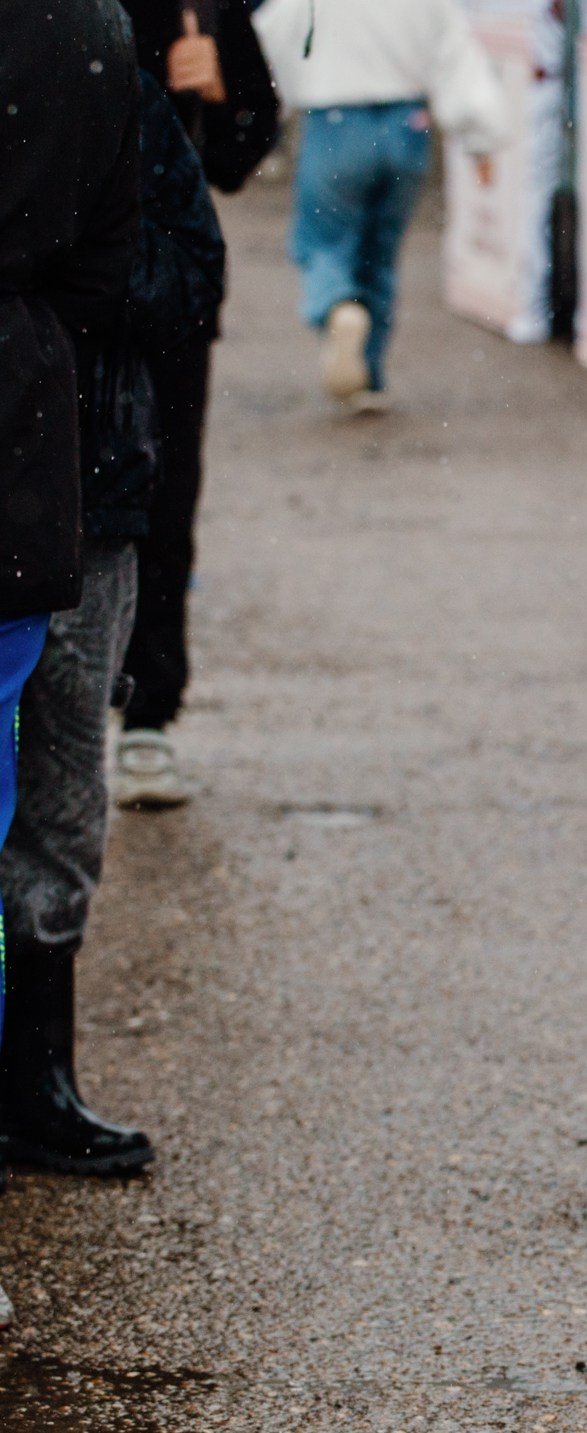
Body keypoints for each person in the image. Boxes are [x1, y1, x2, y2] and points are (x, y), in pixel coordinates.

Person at [0, 65, 224, 1178]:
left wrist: (61, 279)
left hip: (90, 491)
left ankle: (38, 1072)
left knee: (60, 785)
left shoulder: (104, 81)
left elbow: (194, 275)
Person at [0, 0, 143, 1188]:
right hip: (39, 437)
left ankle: (34, 1075)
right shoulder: (89, 27)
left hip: (71, 471)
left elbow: (156, 271)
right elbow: (114, 265)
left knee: (45, 782)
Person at [112, 0, 282, 811]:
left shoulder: (199, 5)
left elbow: (248, 146)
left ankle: (148, 713)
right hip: (47, 297)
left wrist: (220, 97)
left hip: (163, 297)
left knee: (164, 497)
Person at [253, 0, 504, 411]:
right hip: (407, 123)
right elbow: (455, 52)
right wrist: (480, 134)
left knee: (323, 239)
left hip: (336, 120)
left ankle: (336, 306)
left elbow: (270, 39)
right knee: (380, 252)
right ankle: (369, 373)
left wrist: (255, 121)